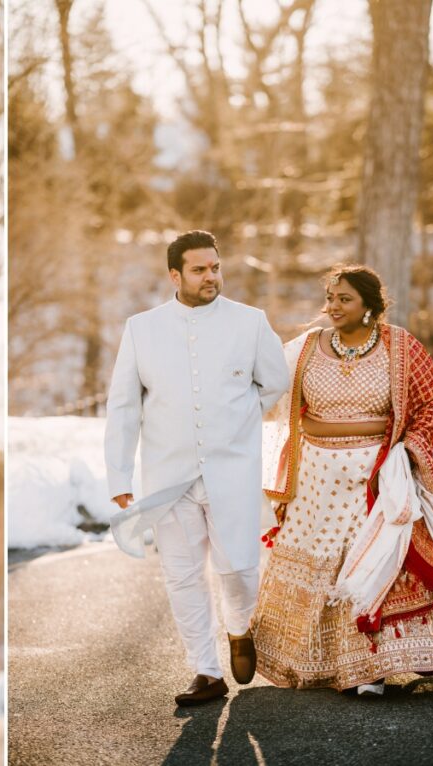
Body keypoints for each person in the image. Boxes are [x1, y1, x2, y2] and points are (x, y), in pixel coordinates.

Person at [252, 264, 433, 695]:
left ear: (369, 306)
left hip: (376, 478)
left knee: (372, 561)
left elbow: (432, 400)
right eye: (330, 298)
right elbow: (266, 392)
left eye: (344, 299)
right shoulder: (304, 348)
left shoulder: (401, 347)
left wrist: (408, 450)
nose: (333, 307)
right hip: (315, 482)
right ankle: (322, 662)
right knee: (320, 561)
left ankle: (369, 670)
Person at [105, 230, 289, 706]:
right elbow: (123, 407)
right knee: (182, 575)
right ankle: (206, 671)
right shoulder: (141, 329)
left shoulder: (250, 323)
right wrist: (119, 477)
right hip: (168, 478)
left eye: (216, 267)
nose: (211, 277)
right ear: (175, 275)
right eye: (200, 269)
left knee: (238, 568)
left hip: (232, 469)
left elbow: (274, 382)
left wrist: (239, 420)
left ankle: (240, 628)